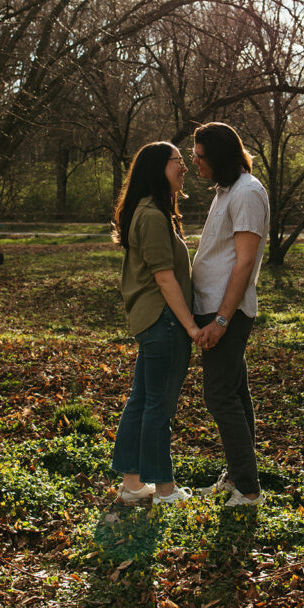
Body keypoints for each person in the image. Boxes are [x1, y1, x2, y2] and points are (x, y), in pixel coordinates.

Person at [111, 142, 199, 505]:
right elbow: (165, 279)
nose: (185, 168)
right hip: (163, 320)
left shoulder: (152, 211)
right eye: (179, 162)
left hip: (153, 320)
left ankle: (132, 485)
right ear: (159, 168)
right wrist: (191, 327)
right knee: (158, 406)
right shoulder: (152, 215)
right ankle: (164, 489)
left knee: (143, 401)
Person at [191, 122, 270, 508]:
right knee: (235, 393)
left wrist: (221, 320)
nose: (194, 162)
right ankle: (239, 476)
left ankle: (249, 489)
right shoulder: (226, 190)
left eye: (201, 156)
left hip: (228, 311)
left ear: (220, 157)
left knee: (220, 396)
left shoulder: (248, 193)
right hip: (213, 307)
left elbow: (244, 263)